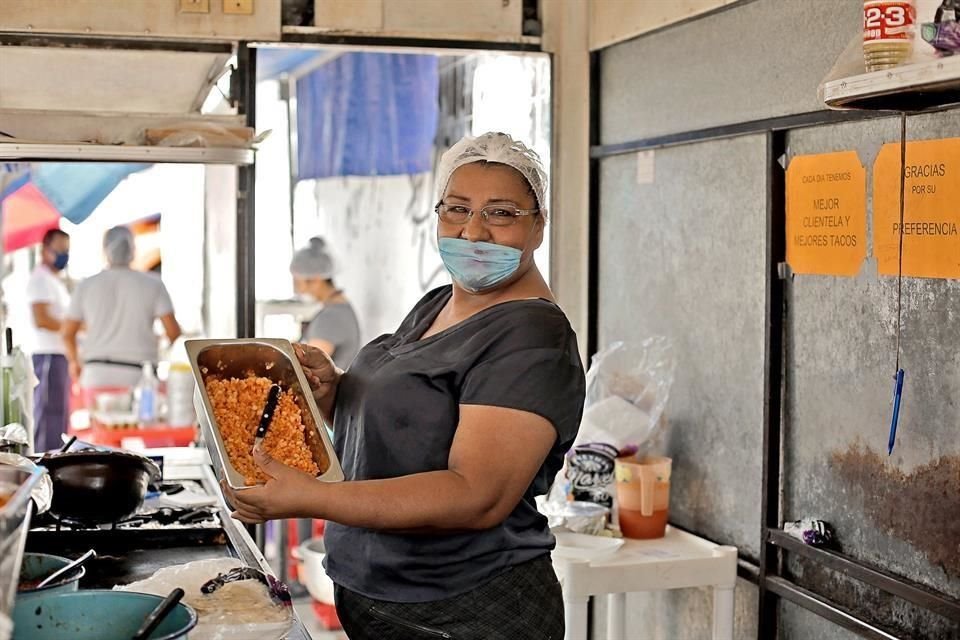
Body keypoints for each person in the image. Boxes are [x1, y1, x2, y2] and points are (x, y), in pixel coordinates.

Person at [225, 132, 586, 640]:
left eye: (501, 213)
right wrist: (336, 393)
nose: (474, 232)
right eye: (457, 209)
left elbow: (476, 495)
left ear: (538, 225)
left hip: (467, 611)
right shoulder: (437, 304)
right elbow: (412, 426)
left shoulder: (531, 336)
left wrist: (312, 498)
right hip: (387, 598)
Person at [62, 225, 181, 390]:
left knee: (97, 417)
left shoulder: (86, 286)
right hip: (139, 375)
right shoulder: (153, 284)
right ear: (132, 249)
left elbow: (67, 333)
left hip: (96, 372)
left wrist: (75, 362)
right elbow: (174, 333)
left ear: (105, 250)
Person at [25, 228, 72, 451]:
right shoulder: (40, 279)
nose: (64, 255)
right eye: (59, 250)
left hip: (59, 356)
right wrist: (71, 328)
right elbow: (41, 319)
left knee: (58, 419)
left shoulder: (55, 281)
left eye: (67, 250)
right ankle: (45, 470)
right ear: (45, 250)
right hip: (47, 357)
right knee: (47, 419)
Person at [289, 237, 361, 369]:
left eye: (298, 282)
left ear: (316, 279)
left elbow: (306, 366)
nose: (297, 289)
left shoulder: (331, 317)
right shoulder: (339, 309)